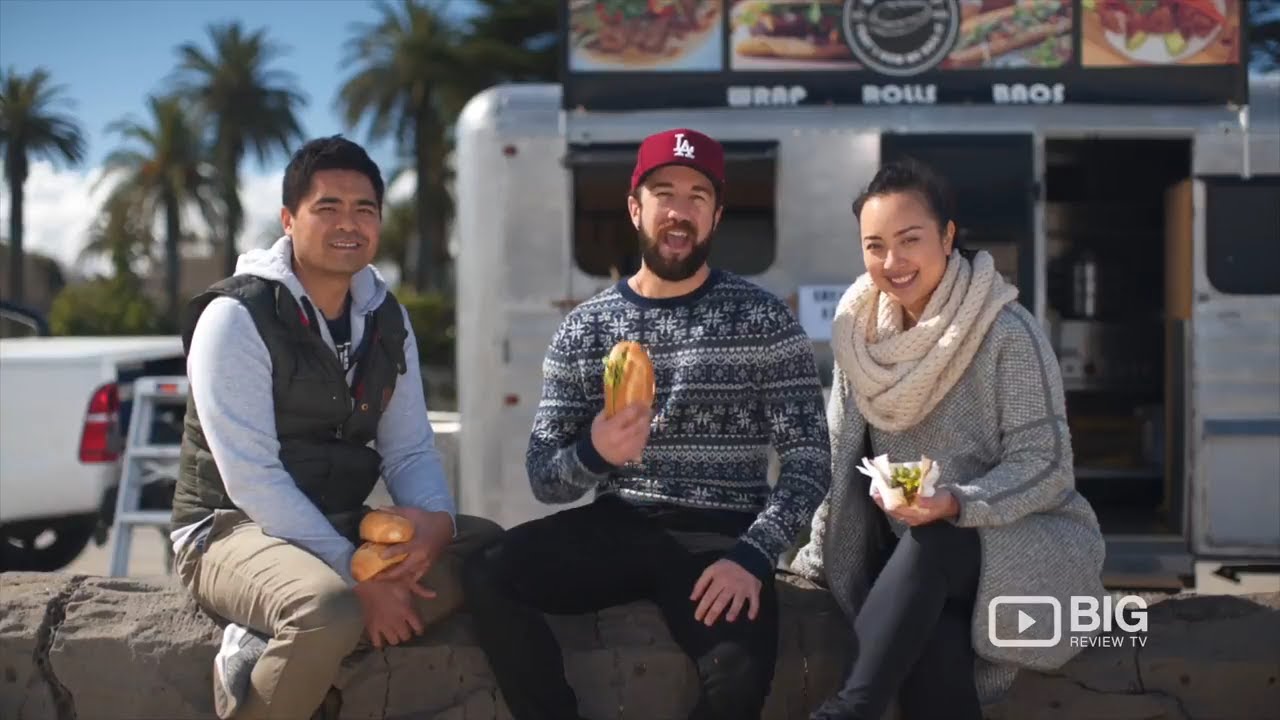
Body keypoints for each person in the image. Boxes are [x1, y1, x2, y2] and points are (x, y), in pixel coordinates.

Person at [461, 128, 833, 720]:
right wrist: (594, 451)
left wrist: (755, 556)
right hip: (621, 522)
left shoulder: (762, 318)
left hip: (724, 534)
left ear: (716, 215)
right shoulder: (587, 327)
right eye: (665, 193)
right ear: (636, 207)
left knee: (736, 684)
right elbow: (543, 477)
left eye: (697, 196)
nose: (679, 212)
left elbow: (811, 460)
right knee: (486, 573)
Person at [169, 135, 501, 720]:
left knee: (487, 549)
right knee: (329, 609)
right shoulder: (235, 317)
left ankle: (266, 636)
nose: (349, 223)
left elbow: (408, 452)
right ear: (289, 220)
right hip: (228, 526)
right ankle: (286, 631)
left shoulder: (386, 317)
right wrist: (356, 576)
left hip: (333, 521)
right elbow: (251, 478)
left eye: (365, 209)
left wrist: (433, 528)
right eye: (328, 207)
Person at [789, 158, 1107, 720]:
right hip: (916, 565)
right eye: (874, 245)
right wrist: (817, 556)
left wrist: (958, 502)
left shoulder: (1006, 332)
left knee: (936, 540)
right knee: (930, 650)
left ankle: (848, 710)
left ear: (948, 236)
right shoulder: (858, 340)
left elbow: (1047, 464)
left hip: (1016, 540)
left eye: (910, 240)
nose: (892, 262)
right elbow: (841, 459)